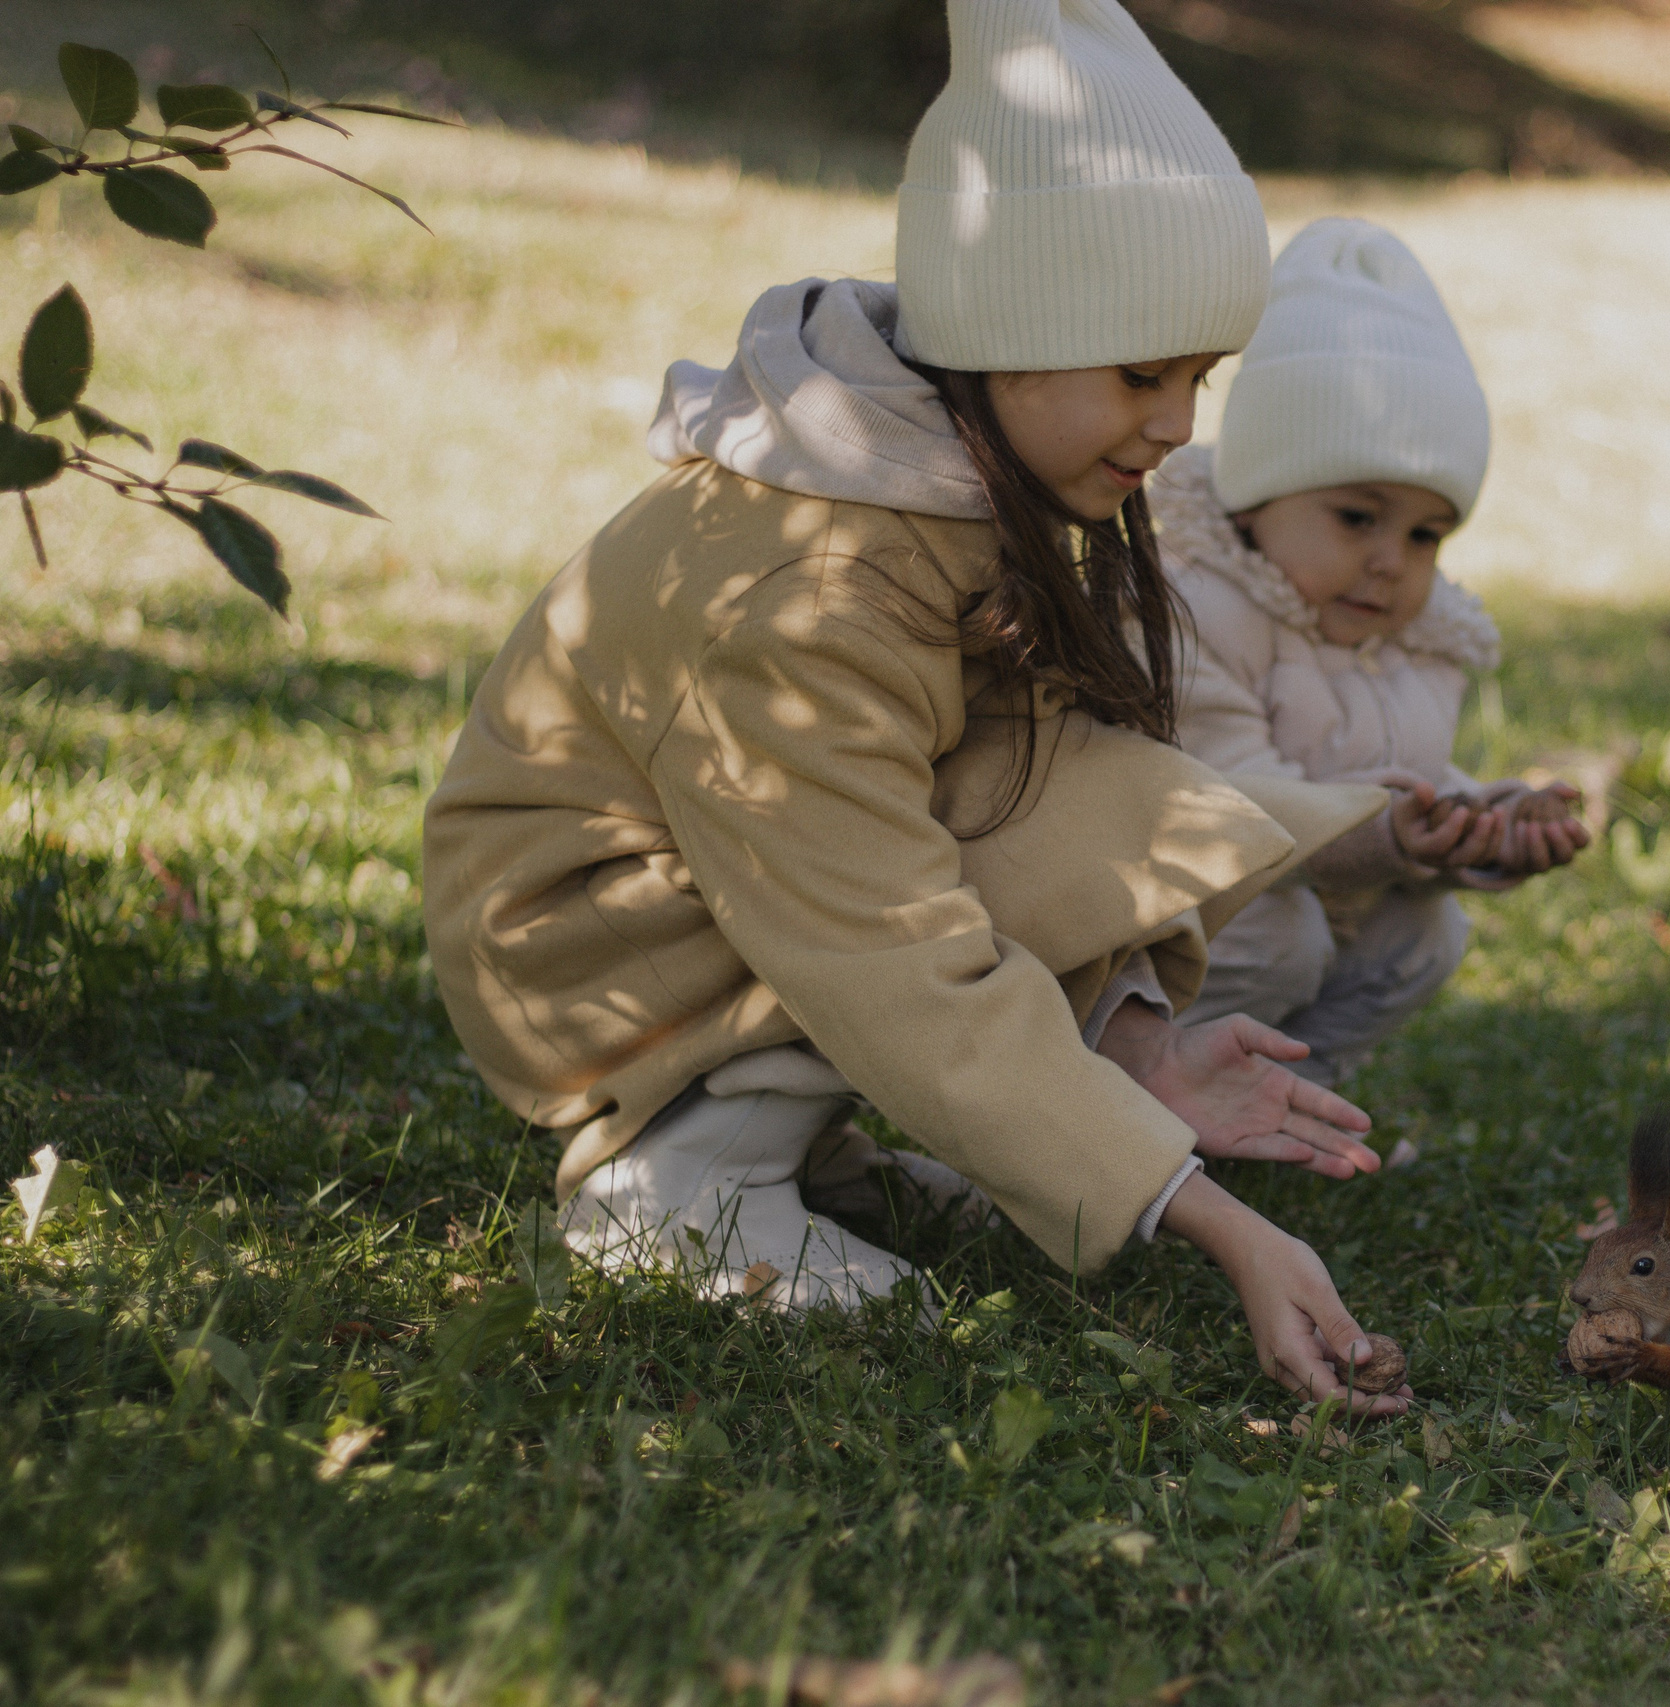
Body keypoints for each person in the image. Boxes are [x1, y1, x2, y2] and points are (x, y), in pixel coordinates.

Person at [422, 0, 1408, 1411]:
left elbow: (1037, 795)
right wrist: (1209, 1214)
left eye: (1202, 377)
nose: (1180, 424)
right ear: (1011, 331)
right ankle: (677, 1179)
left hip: (718, 898)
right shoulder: (814, 591)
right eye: (1144, 372)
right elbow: (877, 940)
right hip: (589, 954)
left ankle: (801, 1144)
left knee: (1076, 778)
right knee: (891, 889)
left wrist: (1135, 1051)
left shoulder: (935, 477)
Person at [1156, 217, 1589, 1087]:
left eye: (1427, 534)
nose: (1393, 560)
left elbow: (1402, 780)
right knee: (1280, 938)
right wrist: (1390, 834)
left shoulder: (1412, 646)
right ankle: (1145, 1084)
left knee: (1426, 933)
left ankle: (1292, 1091)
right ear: (1253, 496)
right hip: (1167, 908)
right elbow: (1239, 807)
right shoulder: (1195, 609)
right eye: (1358, 517)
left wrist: (1478, 825)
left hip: (1321, 888)